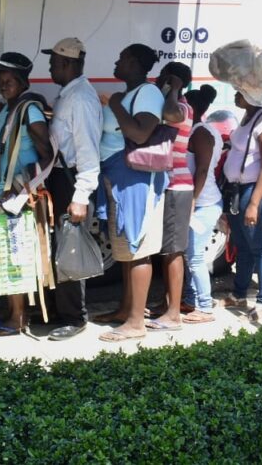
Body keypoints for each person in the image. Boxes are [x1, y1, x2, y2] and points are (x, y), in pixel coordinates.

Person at [93, 44, 169, 342]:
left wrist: (114, 105)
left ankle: (136, 322)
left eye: (121, 58)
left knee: (137, 247)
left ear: (135, 63)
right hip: (117, 178)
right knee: (125, 248)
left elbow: (140, 133)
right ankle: (126, 310)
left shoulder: (147, 94)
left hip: (136, 181)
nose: (116, 62)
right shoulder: (126, 95)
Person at [0, 52, 54, 337]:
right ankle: (14, 313)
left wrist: (26, 184)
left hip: (19, 197)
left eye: (9, 80)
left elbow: (47, 154)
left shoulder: (29, 111)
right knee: (8, 254)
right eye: (0, 80)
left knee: (16, 255)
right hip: (5, 194)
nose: (3, 85)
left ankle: (18, 318)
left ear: (24, 82)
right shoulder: (9, 108)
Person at [39, 38, 103, 341]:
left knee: (69, 250)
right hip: (60, 179)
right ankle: (58, 310)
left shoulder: (82, 100)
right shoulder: (68, 95)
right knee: (57, 249)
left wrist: (80, 198)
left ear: (68, 63)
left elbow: (88, 152)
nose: (50, 67)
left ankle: (75, 318)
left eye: (53, 62)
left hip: (72, 181)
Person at [221, 91, 262, 323]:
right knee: (243, 245)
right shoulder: (247, 117)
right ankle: (239, 295)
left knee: (261, 247)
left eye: (240, 92)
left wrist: (255, 203)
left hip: (257, 190)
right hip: (240, 189)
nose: (235, 94)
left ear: (251, 95)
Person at [147, 61, 193, 332]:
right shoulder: (171, 105)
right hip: (169, 185)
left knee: (173, 251)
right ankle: (168, 306)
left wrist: (173, 88)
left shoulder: (182, 107)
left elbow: (170, 113)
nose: (158, 80)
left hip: (178, 187)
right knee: (166, 250)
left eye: (165, 77)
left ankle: (174, 314)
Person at [181, 86, 221, 324]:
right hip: (201, 202)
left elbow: (203, 169)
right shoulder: (202, 129)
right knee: (189, 255)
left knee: (195, 257)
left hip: (204, 203)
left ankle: (205, 307)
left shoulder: (200, 132)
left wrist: (193, 200)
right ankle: (191, 299)